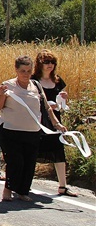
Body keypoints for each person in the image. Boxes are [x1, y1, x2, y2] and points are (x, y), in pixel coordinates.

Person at [0, 55, 65, 202]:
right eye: (23, 71)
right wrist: (0, 94)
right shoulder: (8, 85)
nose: (26, 74)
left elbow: (46, 108)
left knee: (29, 163)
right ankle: (8, 188)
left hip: (32, 132)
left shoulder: (36, 86)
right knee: (15, 162)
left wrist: (57, 124)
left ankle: (23, 191)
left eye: (28, 71)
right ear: (16, 70)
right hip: (10, 132)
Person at [33, 50, 78, 197]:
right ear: (39, 64)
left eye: (52, 62)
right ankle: (23, 182)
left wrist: (62, 100)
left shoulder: (58, 81)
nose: (50, 65)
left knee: (59, 152)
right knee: (31, 152)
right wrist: (47, 106)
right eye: (46, 62)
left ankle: (63, 186)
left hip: (55, 120)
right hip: (38, 121)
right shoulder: (33, 81)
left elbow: (62, 105)